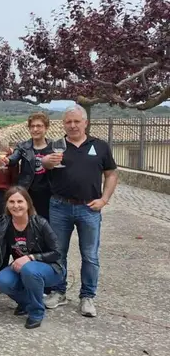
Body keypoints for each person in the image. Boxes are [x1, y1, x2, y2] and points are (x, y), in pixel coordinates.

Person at [42, 104, 118, 317]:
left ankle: (87, 297)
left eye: (77, 121)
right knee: (58, 253)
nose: (73, 125)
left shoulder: (100, 146)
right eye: (68, 122)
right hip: (59, 206)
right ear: (64, 124)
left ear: (86, 123)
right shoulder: (56, 145)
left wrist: (104, 199)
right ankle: (59, 292)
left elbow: (111, 174)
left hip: (89, 208)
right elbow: (45, 165)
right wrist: (47, 161)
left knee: (90, 255)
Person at [0, 186, 63, 329]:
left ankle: (36, 312)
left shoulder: (40, 223)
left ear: (28, 203)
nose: (16, 206)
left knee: (29, 269)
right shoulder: (2, 222)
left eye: (20, 201)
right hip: (22, 267)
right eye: (12, 202)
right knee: (1, 280)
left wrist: (31, 257)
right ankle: (27, 303)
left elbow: (57, 252)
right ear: (7, 205)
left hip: (49, 268)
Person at [8, 112, 53, 220]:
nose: (35, 129)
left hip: (48, 195)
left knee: (46, 227)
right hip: (28, 193)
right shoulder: (23, 146)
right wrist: (6, 160)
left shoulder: (53, 147)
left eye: (39, 126)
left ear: (46, 128)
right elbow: (13, 159)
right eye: (32, 126)